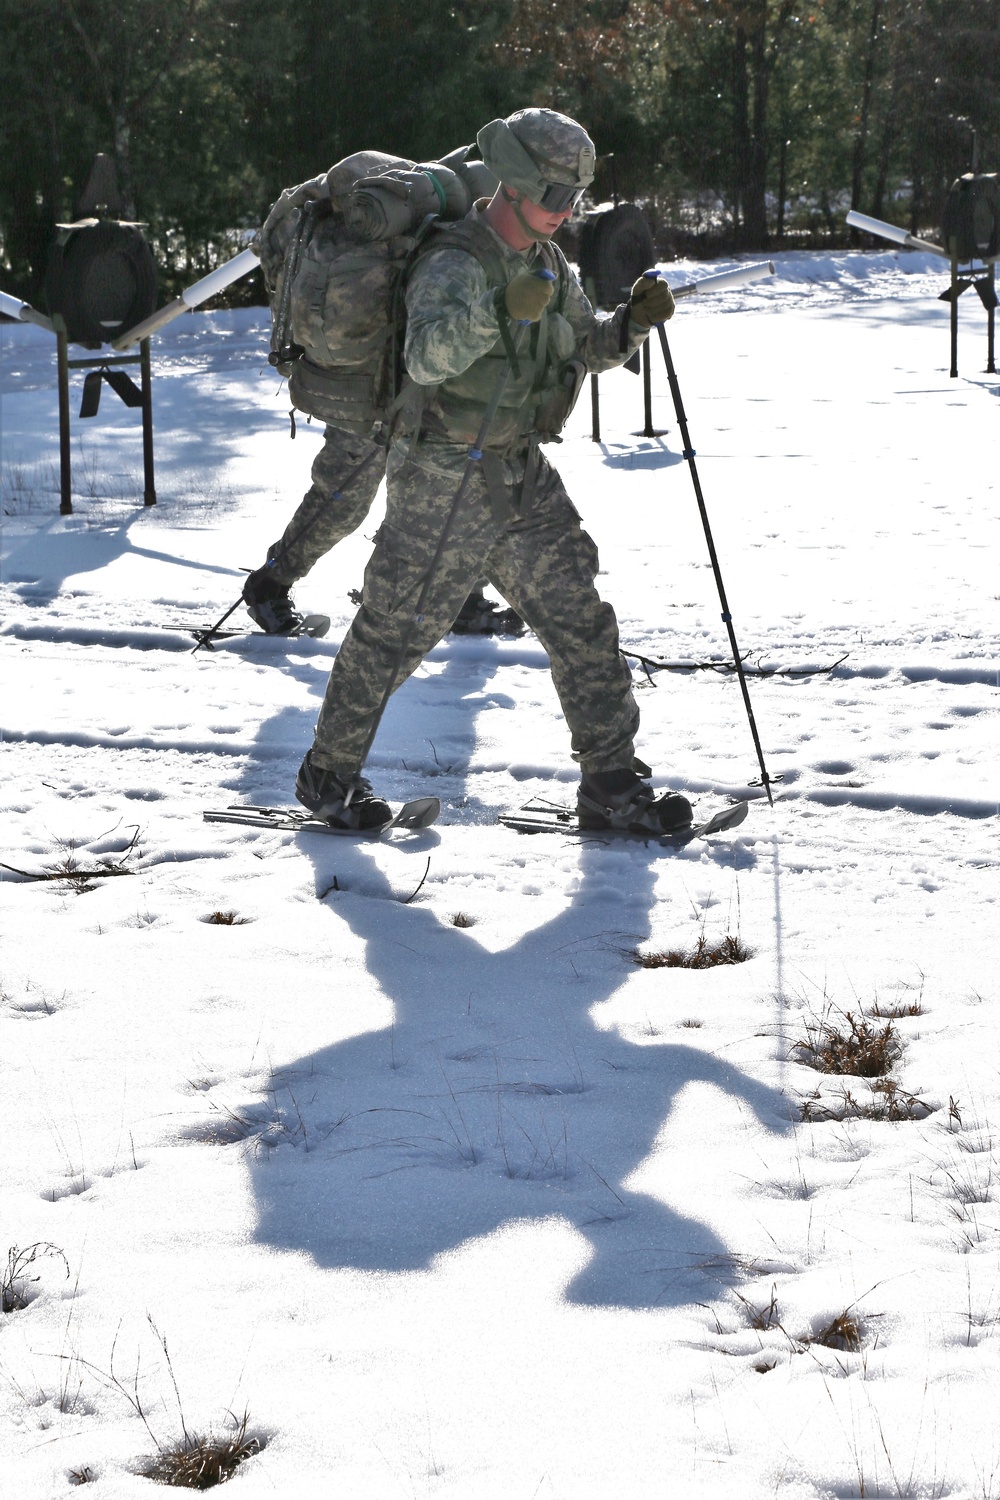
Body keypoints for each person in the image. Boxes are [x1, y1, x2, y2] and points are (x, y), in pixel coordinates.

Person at [293, 106, 691, 835]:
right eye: (553, 197)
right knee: (394, 632)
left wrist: (630, 324)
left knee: (580, 617)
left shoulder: (548, 261)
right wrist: (498, 313)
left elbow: (580, 346)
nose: (565, 213)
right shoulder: (454, 258)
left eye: (574, 200)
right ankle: (328, 776)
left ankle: (611, 784)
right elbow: (426, 357)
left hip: (516, 469)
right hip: (442, 473)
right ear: (512, 184)